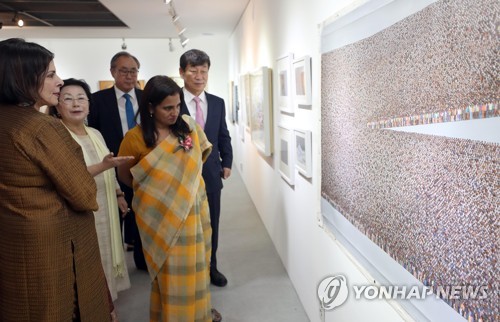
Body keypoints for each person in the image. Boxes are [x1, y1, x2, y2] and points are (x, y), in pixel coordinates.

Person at [0, 38, 112, 321]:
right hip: (56, 247)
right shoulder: (41, 128)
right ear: (22, 77)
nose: (59, 82)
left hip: (15, 240)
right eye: (50, 74)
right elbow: (84, 194)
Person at [117, 75, 219, 321]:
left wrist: (181, 188)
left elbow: (198, 159)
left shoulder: (188, 127)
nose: (174, 113)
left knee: (196, 267)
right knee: (170, 273)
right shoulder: (135, 137)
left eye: (177, 106)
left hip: (193, 213)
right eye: (167, 108)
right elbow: (126, 176)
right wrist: (158, 193)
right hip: (159, 218)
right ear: (150, 107)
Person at [53, 78, 132, 301]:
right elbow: (66, 177)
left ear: (88, 104)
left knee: (105, 252)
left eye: (81, 98)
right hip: (80, 211)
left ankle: (107, 306)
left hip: (105, 203)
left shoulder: (95, 133)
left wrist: (118, 194)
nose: (76, 104)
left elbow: (109, 165)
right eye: (67, 99)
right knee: (88, 261)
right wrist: (104, 165)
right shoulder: (57, 136)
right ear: (57, 106)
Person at [179, 49, 233, 287]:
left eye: (204, 71)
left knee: (212, 223)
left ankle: (212, 267)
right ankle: (189, 270)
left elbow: (223, 135)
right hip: (181, 175)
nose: (199, 76)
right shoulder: (172, 102)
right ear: (182, 72)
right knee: (185, 226)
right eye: (193, 71)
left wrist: (227, 162)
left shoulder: (217, 103)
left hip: (211, 174)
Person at [88, 51, 147, 270]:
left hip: (142, 168)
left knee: (142, 217)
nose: (129, 76)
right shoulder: (97, 100)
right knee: (115, 219)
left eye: (133, 71)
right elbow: (92, 133)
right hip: (111, 168)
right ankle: (115, 267)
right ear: (112, 71)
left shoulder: (146, 98)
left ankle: (142, 260)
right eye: (124, 70)